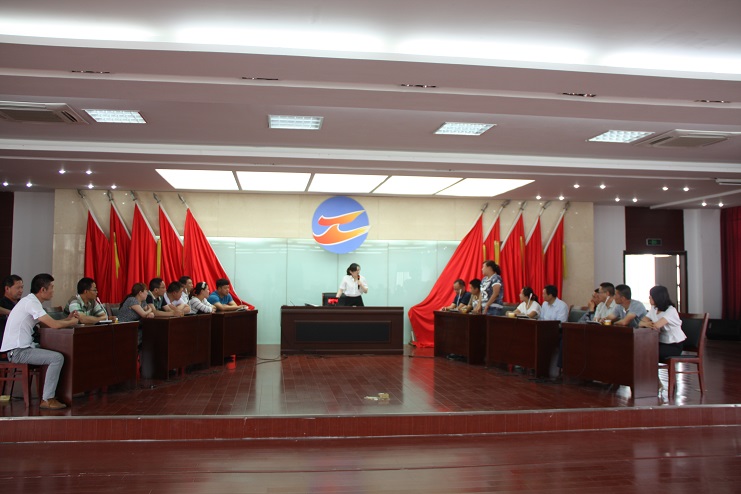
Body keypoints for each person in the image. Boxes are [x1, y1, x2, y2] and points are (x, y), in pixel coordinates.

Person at [0, 273, 79, 409]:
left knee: (57, 353)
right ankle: (47, 399)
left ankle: (53, 395)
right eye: (52, 287)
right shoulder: (31, 303)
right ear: (43, 290)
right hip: (17, 351)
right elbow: (54, 325)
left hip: (23, 348)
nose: (53, 291)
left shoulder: (32, 301)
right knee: (56, 358)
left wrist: (67, 319)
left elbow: (46, 323)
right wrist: (72, 322)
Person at [639, 285, 686, 361]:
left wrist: (645, 323)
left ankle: (651, 369)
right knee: (641, 349)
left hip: (674, 345)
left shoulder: (671, 310)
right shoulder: (654, 309)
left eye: (651, 296)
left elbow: (656, 326)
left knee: (650, 352)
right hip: (661, 342)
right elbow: (641, 322)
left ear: (657, 297)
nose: (649, 298)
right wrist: (645, 323)